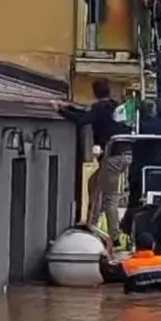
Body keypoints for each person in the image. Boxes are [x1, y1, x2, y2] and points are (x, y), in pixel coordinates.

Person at [56, 79, 131, 243]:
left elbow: (83, 119)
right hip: (126, 153)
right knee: (94, 183)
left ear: (94, 92)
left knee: (107, 197)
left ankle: (113, 234)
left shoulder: (99, 108)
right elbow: (85, 113)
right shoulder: (116, 106)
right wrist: (67, 107)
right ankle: (93, 222)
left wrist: (61, 111)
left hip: (112, 155)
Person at [121, 99, 161, 239]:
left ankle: (128, 230)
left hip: (138, 170)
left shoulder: (136, 126)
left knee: (134, 200)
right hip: (157, 170)